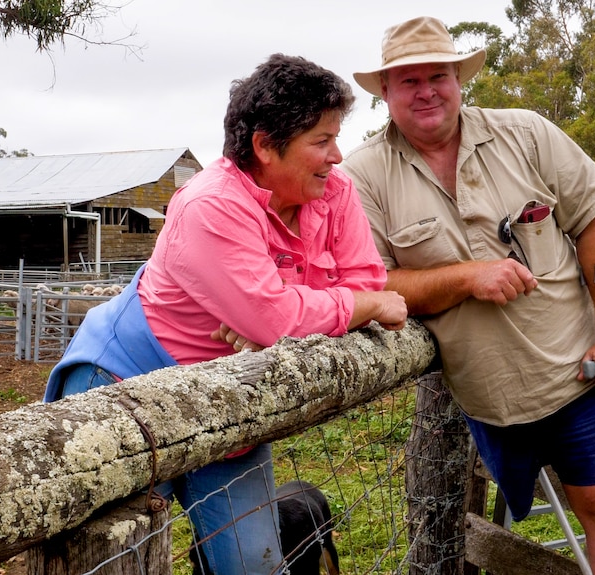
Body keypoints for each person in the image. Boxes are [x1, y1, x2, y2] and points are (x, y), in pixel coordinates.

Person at [43, 53, 407, 575]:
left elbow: (356, 281)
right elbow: (303, 312)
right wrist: (321, 313)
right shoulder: (210, 204)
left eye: (336, 137)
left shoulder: (334, 192)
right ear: (264, 145)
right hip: (127, 381)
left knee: (253, 562)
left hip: (234, 396)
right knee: (110, 550)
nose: (337, 156)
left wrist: (281, 319)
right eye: (322, 141)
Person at [342, 16, 595, 575]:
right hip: (490, 399)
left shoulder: (528, 134)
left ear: (460, 80)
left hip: (580, 372)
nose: (426, 91)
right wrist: (468, 277)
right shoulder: (361, 175)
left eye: (438, 75)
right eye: (408, 81)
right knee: (523, 521)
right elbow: (372, 282)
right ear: (384, 91)